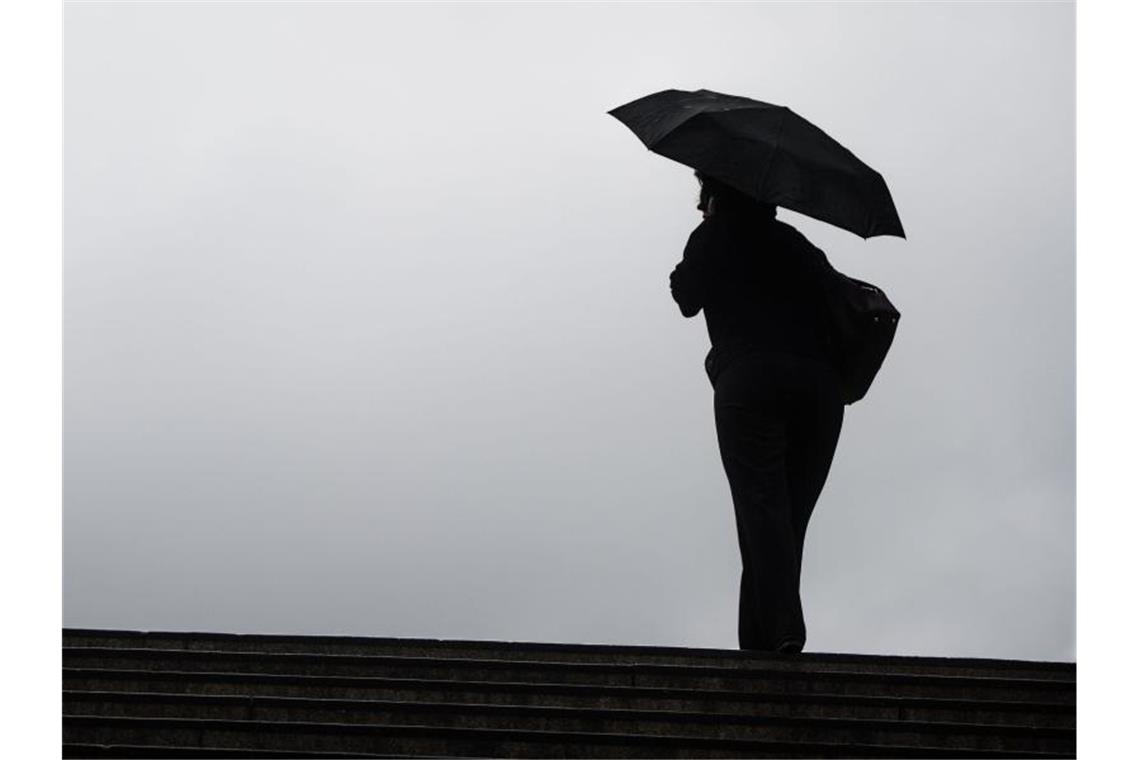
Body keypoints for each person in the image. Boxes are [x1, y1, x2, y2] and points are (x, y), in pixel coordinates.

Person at [669, 171, 845, 654]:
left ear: (716, 192)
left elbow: (686, 298)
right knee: (783, 520)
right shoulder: (796, 243)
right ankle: (761, 644)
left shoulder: (713, 234)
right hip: (819, 388)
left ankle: (785, 627)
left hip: (750, 381)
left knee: (761, 509)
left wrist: (704, 237)